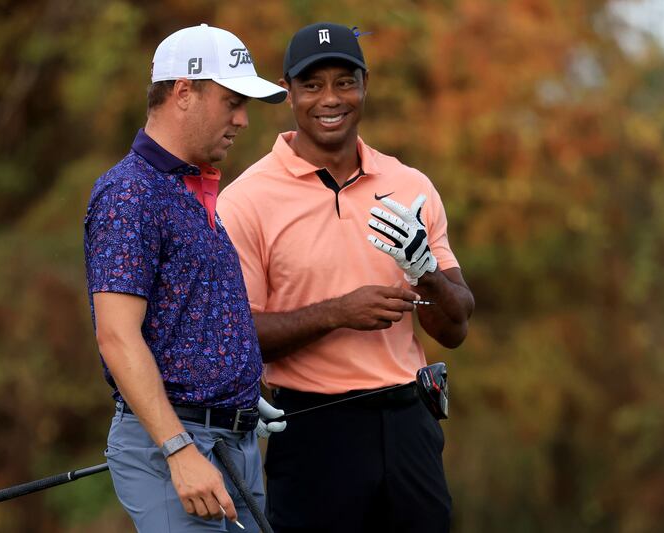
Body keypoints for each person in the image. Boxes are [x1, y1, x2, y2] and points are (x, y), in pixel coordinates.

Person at [216, 22, 475, 533]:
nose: (330, 99)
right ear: (289, 93)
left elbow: (456, 328)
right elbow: (237, 337)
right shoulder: (245, 200)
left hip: (409, 423)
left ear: (365, 86)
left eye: (344, 81)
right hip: (312, 430)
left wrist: (427, 274)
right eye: (312, 85)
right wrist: (339, 313)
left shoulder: (409, 185)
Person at [83, 24, 288, 533]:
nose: (242, 119)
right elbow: (116, 335)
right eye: (232, 101)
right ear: (182, 92)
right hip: (175, 446)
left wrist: (236, 390)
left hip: (231, 443)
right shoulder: (131, 194)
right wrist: (177, 449)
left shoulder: (193, 188)